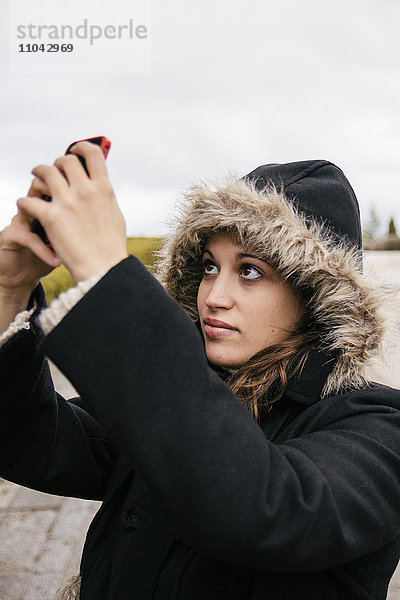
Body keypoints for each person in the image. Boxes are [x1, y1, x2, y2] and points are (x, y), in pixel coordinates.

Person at [0, 143, 399, 600]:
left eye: (250, 271)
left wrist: (107, 275)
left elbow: (267, 511)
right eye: (210, 267)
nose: (214, 296)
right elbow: (32, 439)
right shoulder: (178, 395)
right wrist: (9, 289)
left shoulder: (378, 428)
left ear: (314, 295)